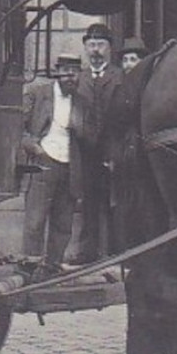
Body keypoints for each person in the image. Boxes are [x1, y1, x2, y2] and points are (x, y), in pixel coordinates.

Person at [19, 54, 82, 269]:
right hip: (43, 161)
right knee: (35, 220)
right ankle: (29, 267)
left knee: (63, 223)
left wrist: (80, 125)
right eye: (65, 73)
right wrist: (33, 147)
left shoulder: (81, 101)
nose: (70, 78)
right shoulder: (39, 93)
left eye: (74, 74)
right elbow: (18, 126)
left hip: (70, 165)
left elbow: (91, 132)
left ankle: (53, 267)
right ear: (57, 72)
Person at [69, 22, 123, 265]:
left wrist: (116, 151)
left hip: (113, 149)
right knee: (87, 201)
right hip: (84, 152)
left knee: (115, 201)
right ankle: (88, 252)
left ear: (110, 48)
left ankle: (115, 251)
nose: (95, 50)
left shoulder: (120, 77)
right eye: (91, 45)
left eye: (100, 45)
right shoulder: (78, 79)